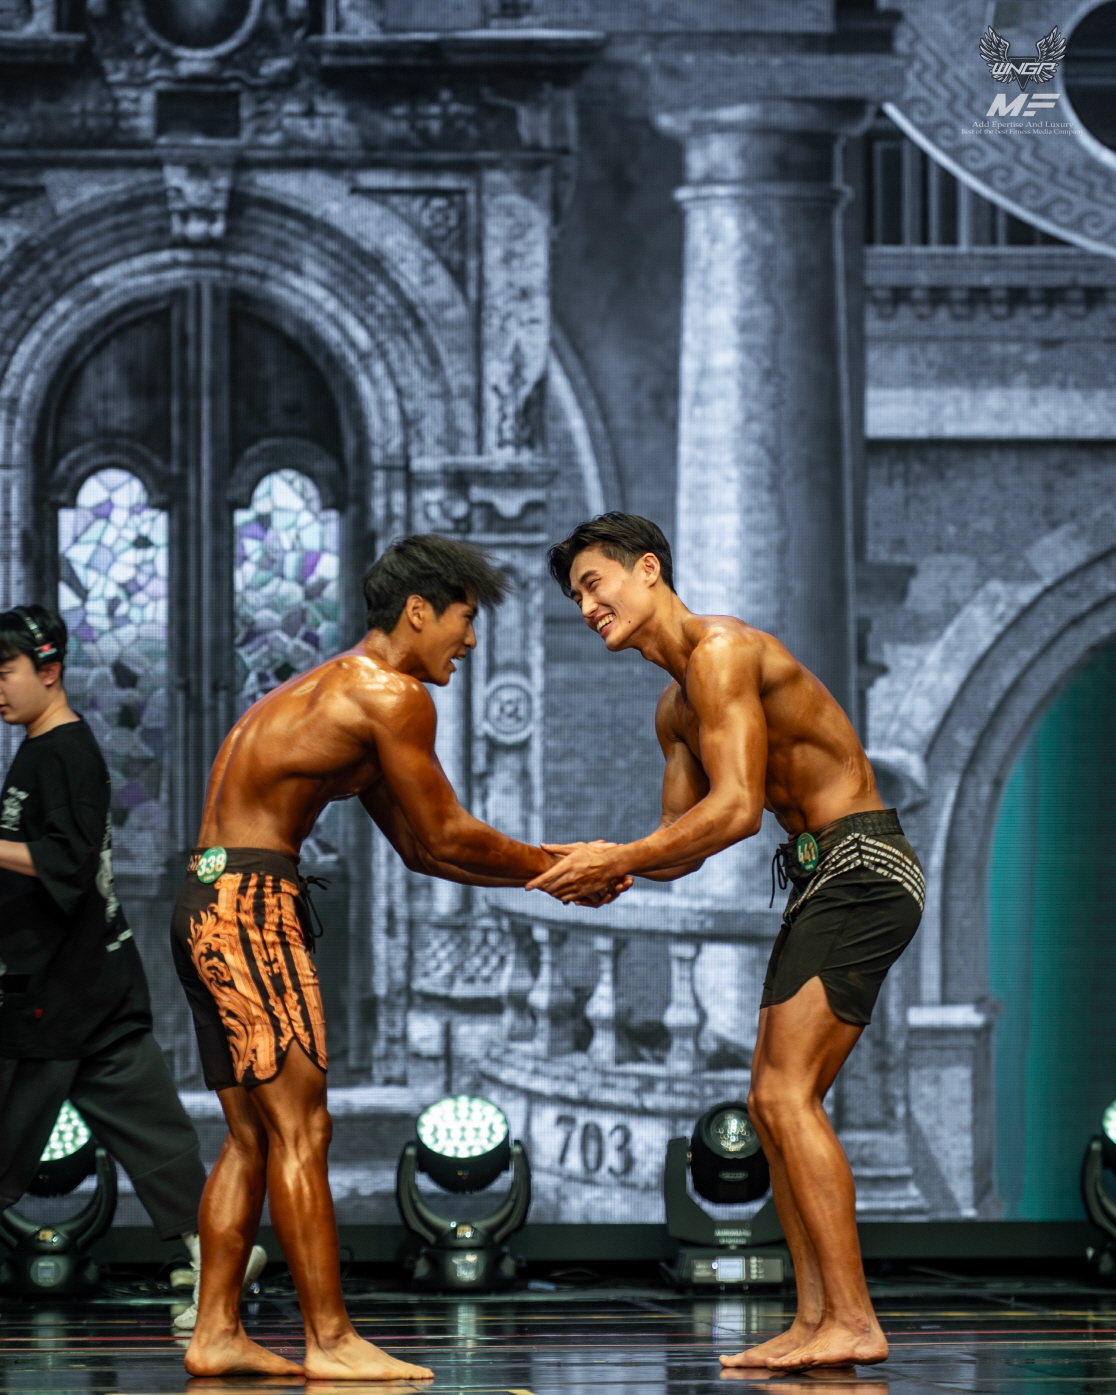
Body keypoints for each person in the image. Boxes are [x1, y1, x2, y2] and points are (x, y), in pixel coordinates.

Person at [174, 534, 629, 1382]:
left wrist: (549, 875)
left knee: (252, 1137)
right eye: (464, 618)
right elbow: (451, 832)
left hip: (205, 900)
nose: (470, 639)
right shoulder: (391, 695)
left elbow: (424, 851)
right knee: (303, 1128)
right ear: (418, 611)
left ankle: (217, 1330)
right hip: (250, 909)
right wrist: (563, 864)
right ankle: (329, 1338)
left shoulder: (341, 690)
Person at [531, 514, 924, 1372]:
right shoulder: (676, 708)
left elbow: (739, 808)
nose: (588, 607)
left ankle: (853, 1316)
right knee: (771, 1102)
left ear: (648, 568)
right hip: (824, 878)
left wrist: (619, 857)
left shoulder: (721, 652)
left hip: (862, 866)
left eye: (595, 584)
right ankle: (817, 1319)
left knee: (784, 1095)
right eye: (576, 598)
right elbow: (683, 844)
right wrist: (609, 868)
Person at [0, 604, 237, 1315]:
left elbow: (69, 864)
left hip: (56, 999)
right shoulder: (38, 748)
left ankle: (217, 1263)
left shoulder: (67, 752)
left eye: (6, 670)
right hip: (87, 987)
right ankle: (216, 1255)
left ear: (49, 670)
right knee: (158, 1136)